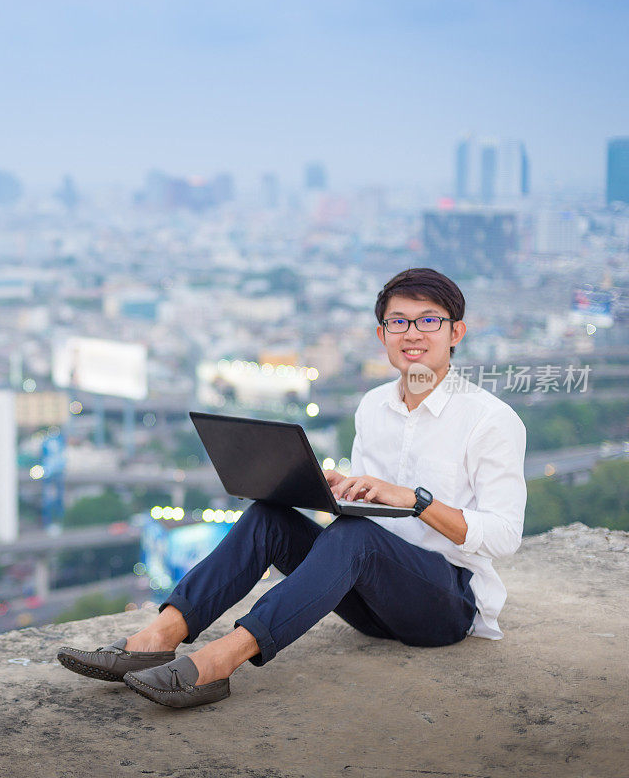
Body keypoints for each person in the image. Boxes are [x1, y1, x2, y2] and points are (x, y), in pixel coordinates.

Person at [57, 267, 527, 709]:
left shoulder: (490, 420)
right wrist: (336, 489)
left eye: (428, 320)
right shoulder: (373, 407)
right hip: (371, 600)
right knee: (268, 516)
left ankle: (220, 662)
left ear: (456, 332)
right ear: (382, 335)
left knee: (355, 539)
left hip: (446, 604)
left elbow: (505, 536)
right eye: (398, 321)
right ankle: (159, 636)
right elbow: (365, 517)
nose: (412, 333)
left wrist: (416, 501)